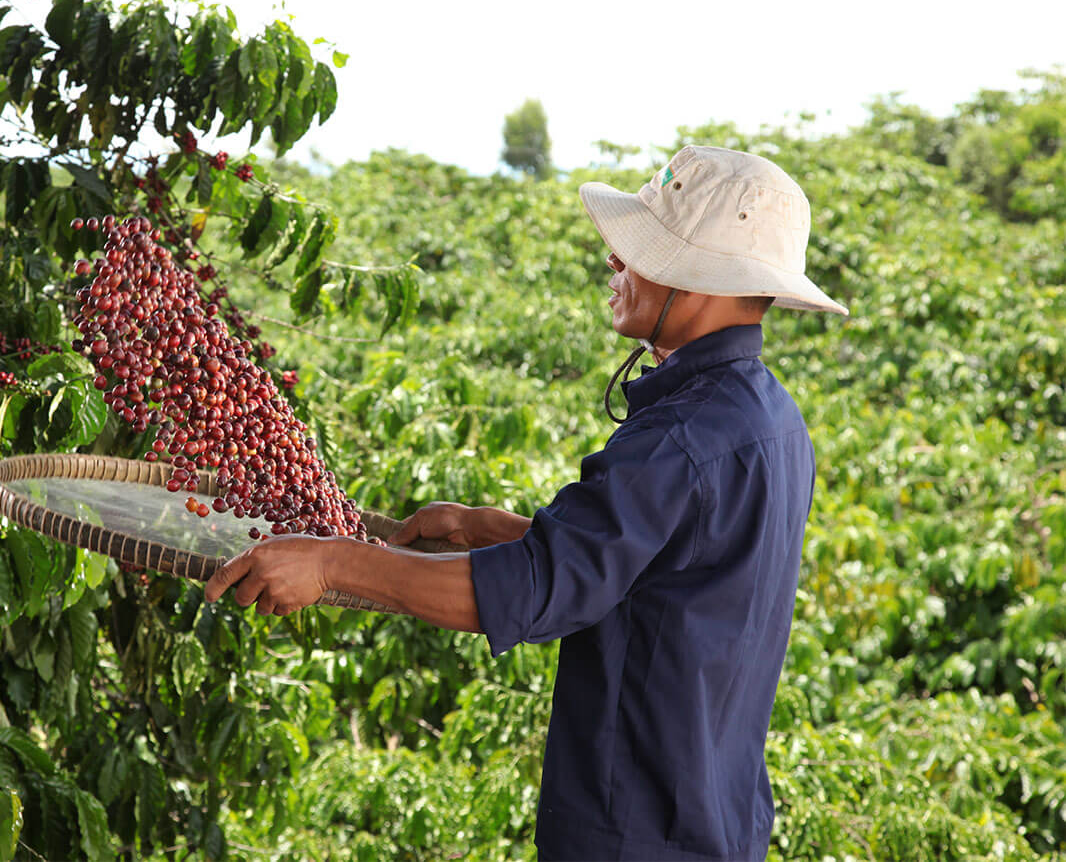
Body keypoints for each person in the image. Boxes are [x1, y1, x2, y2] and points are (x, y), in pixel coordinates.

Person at [205, 145, 848, 861]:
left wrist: (332, 564)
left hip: (637, 833)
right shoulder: (771, 419)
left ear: (700, 280)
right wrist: (491, 529)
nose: (616, 262)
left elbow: (535, 592)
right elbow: (658, 568)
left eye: (640, 252)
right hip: (718, 822)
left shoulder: (680, 439)